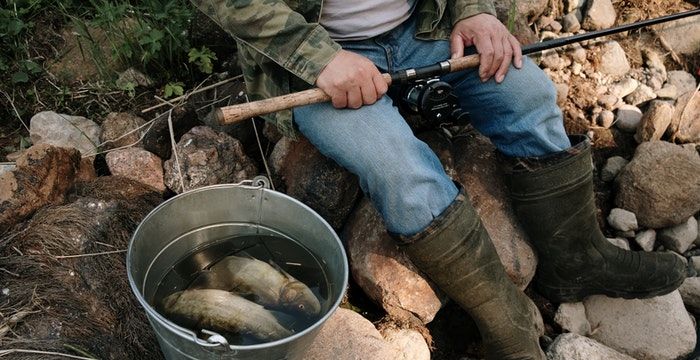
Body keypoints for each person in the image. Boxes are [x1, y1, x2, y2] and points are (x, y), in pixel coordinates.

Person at [190, 1, 689, 358]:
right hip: (318, 61)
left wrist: (473, 10)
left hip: (426, 29)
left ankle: (577, 260)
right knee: (400, 168)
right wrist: (317, 58)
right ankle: (504, 322)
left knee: (529, 96)